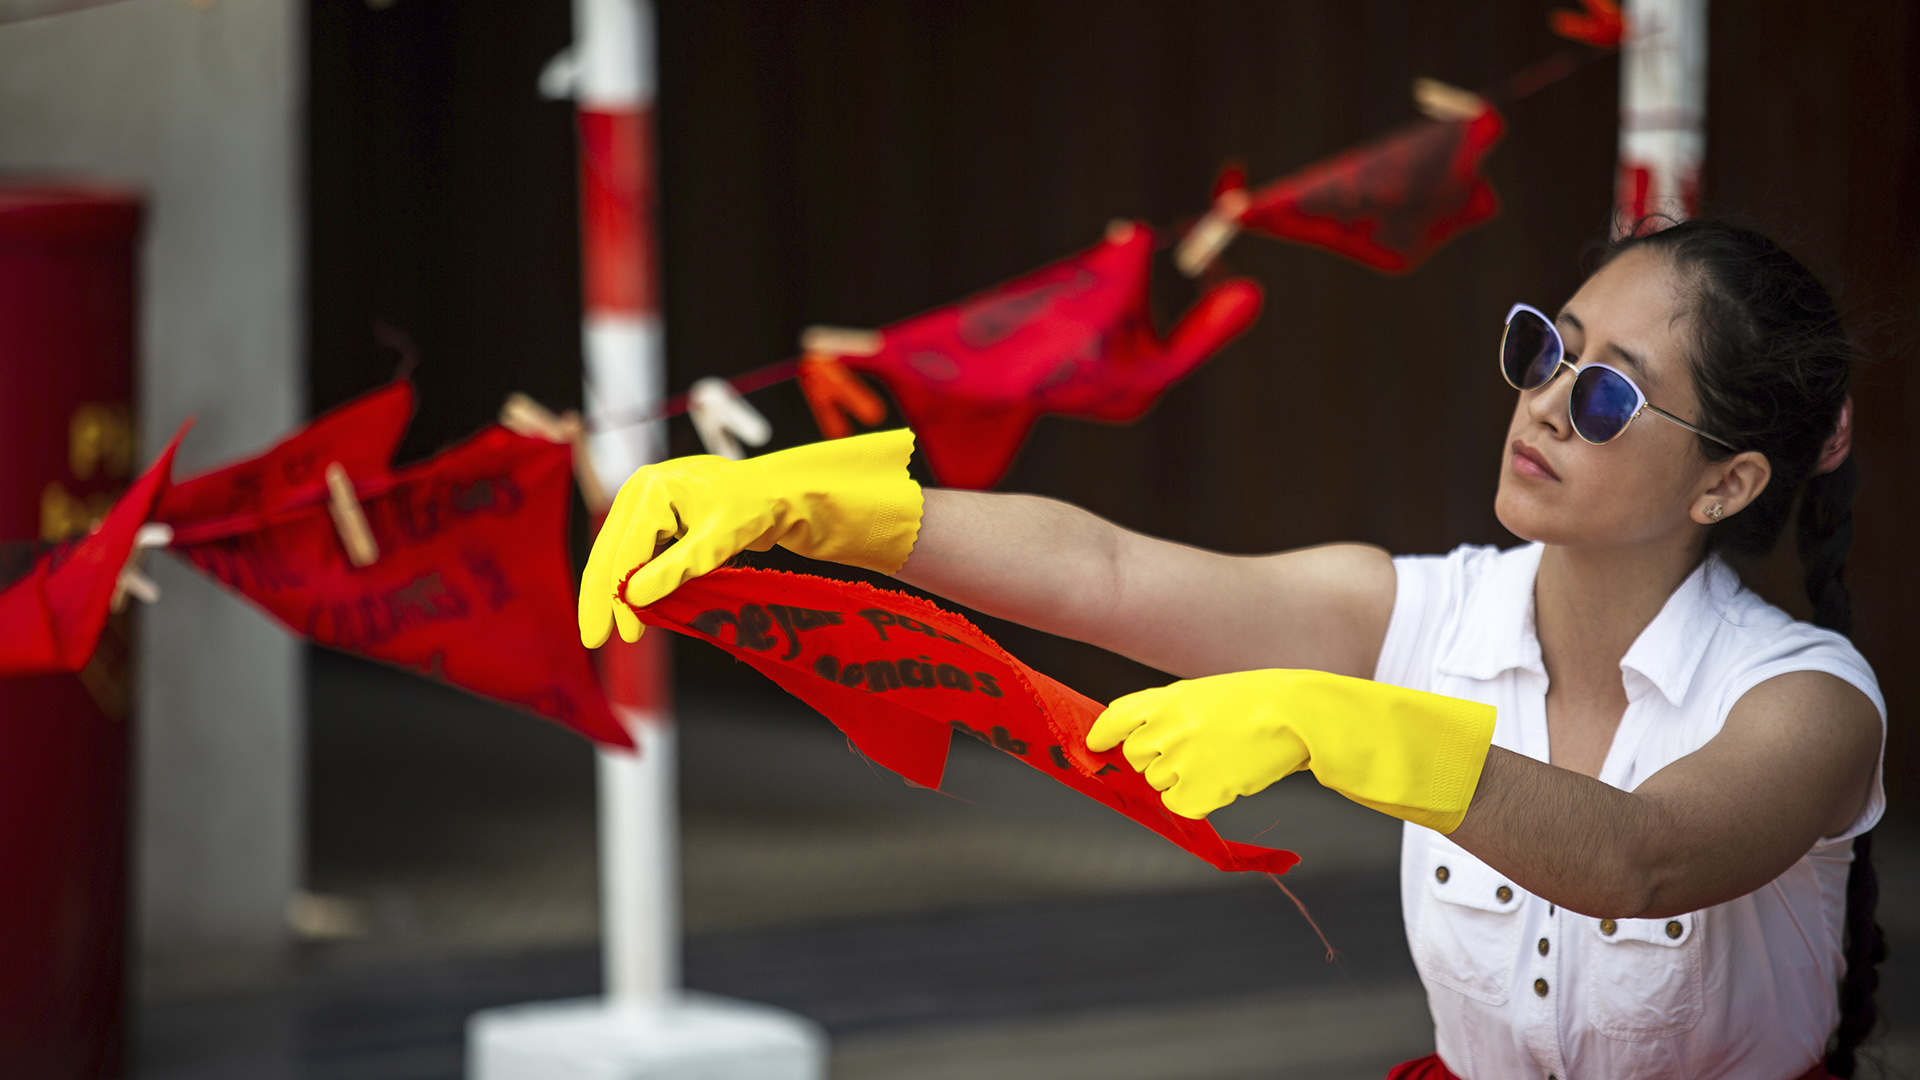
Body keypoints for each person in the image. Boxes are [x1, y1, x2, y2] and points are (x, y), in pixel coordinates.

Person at [578, 220, 1883, 1080]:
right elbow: (1110, 572)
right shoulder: (1431, 614)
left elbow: (1645, 859)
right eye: (1544, 348)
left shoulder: (1810, 704)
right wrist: (834, 509)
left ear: (1726, 486)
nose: (1542, 402)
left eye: (1606, 394)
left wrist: (1347, 726)